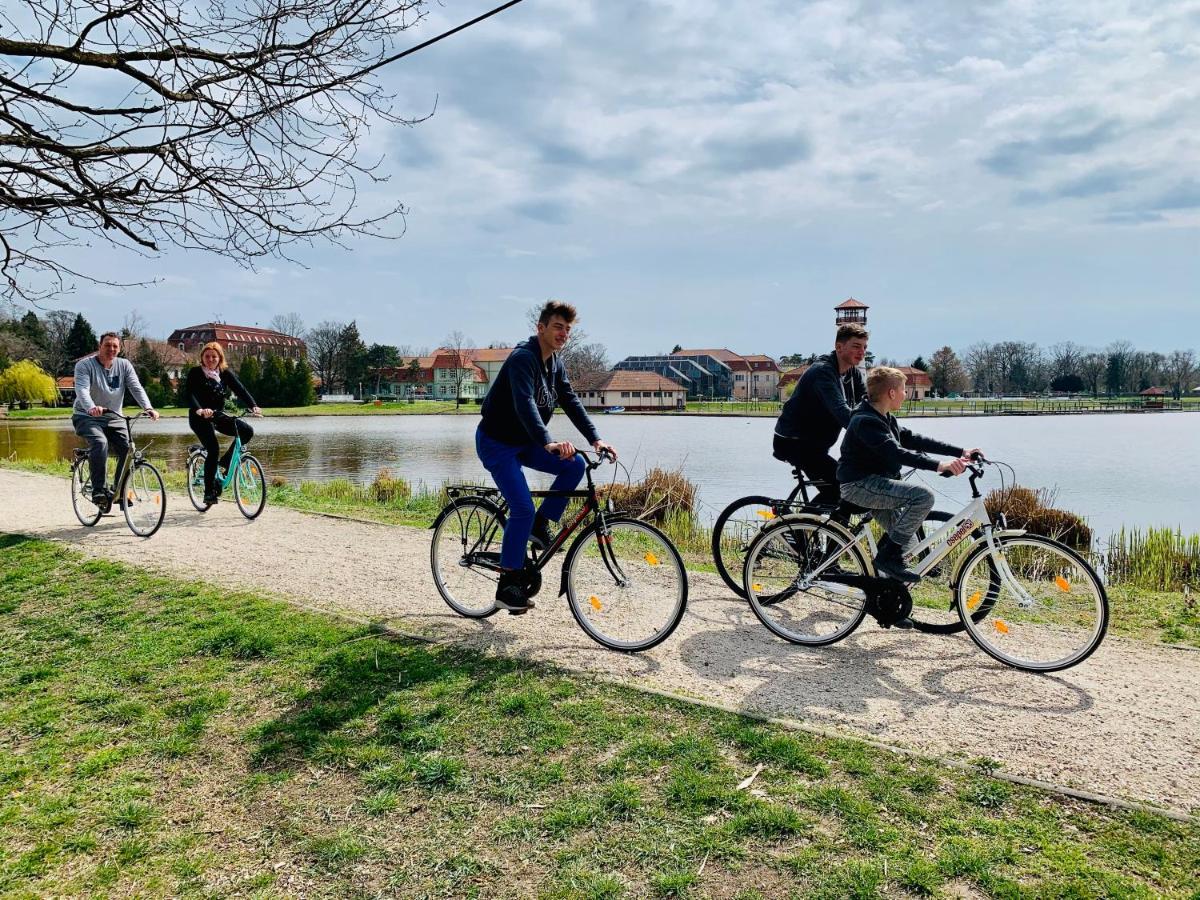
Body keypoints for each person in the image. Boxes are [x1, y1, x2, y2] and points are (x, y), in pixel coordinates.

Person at [477, 301, 618, 614]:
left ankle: (541, 525)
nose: (563, 334)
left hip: (526, 442)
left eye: (567, 329)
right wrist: (548, 442)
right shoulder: (521, 359)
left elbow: (570, 401)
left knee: (576, 465)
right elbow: (525, 403)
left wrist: (596, 439)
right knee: (522, 506)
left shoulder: (555, 364)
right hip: (497, 443)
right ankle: (508, 585)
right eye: (558, 326)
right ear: (540, 327)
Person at [838, 367, 979, 583]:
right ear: (891, 393)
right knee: (923, 496)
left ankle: (887, 598)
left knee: (909, 545)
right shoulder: (866, 421)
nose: (906, 394)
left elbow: (915, 440)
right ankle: (887, 558)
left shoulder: (885, 418)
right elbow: (896, 453)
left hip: (877, 485)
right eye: (904, 390)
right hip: (859, 485)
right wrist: (940, 466)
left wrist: (961, 452)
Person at [773, 323, 868, 508]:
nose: (862, 352)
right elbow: (843, 415)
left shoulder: (853, 374)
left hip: (816, 446)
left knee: (846, 490)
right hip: (794, 442)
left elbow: (870, 408)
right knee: (843, 490)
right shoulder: (823, 372)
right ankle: (803, 528)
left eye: (865, 347)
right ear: (839, 347)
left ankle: (822, 529)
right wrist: (875, 433)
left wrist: (893, 432)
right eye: (856, 346)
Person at [72, 332, 160, 506]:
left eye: (115, 346)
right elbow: (81, 389)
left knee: (128, 450)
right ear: (100, 346)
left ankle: (119, 491)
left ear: (119, 348)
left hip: (114, 417)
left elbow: (136, 387)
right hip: (87, 416)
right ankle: (98, 490)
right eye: (107, 345)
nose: (111, 349)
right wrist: (91, 407)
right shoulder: (84, 365)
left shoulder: (124, 365)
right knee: (100, 442)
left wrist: (148, 408)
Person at [186, 342, 262, 507]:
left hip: (218, 415)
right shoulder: (195, 373)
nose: (211, 359)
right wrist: (199, 410)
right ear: (202, 358)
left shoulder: (224, 373)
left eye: (214, 356)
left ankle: (225, 463)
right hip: (199, 417)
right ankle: (209, 492)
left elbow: (240, 389)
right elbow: (190, 394)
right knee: (213, 448)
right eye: (207, 356)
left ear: (220, 358)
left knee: (246, 431)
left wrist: (253, 405)